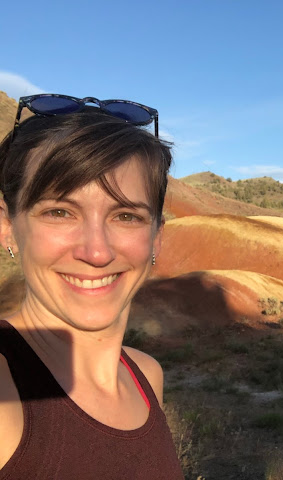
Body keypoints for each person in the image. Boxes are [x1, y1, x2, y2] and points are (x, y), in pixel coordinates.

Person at [0, 94, 184, 478]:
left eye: (126, 216)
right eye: (60, 212)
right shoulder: (6, 392)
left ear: (156, 237)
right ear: (7, 226)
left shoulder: (146, 375)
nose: (97, 252)